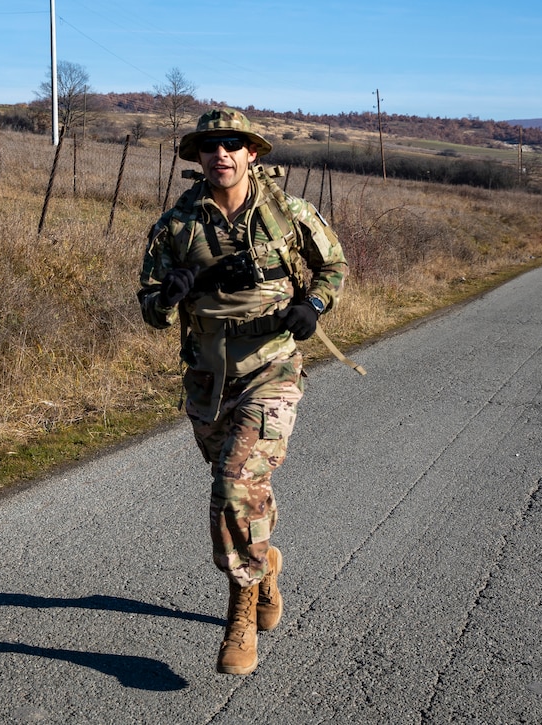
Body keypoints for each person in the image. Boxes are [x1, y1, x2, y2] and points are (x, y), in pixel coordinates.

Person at [136, 108, 348, 675]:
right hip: (208, 376)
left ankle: (241, 609)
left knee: (234, 484)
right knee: (245, 489)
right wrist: (176, 292)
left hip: (273, 366)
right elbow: (149, 305)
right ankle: (266, 565)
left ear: (252, 152)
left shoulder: (288, 212)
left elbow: (334, 267)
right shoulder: (177, 225)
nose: (220, 154)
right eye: (210, 146)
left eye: (232, 144)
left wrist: (314, 305)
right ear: (198, 158)